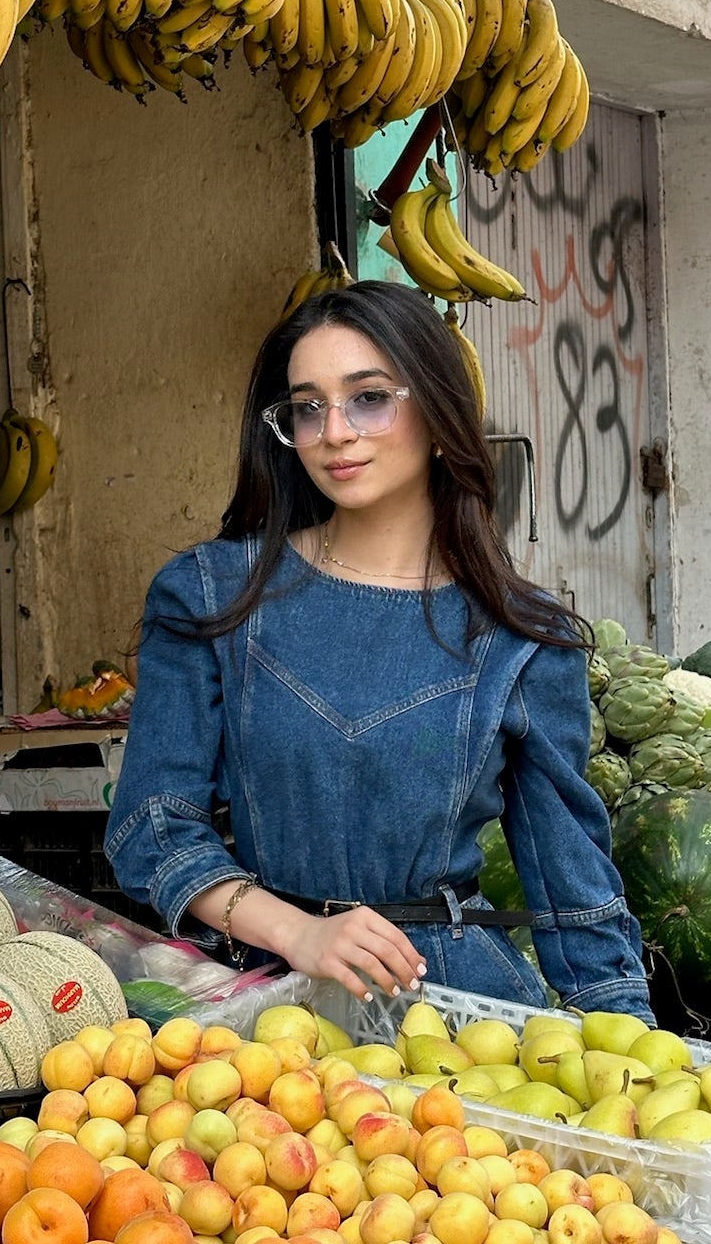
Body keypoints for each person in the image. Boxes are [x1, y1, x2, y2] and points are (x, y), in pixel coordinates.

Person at [106, 280, 651, 1017]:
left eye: (368, 398)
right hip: (267, 1015)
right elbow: (151, 826)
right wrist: (298, 932)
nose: (334, 432)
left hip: (456, 1015)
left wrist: (640, 1063)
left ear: (435, 408)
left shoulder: (521, 635)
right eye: (307, 407)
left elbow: (574, 892)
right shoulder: (211, 595)